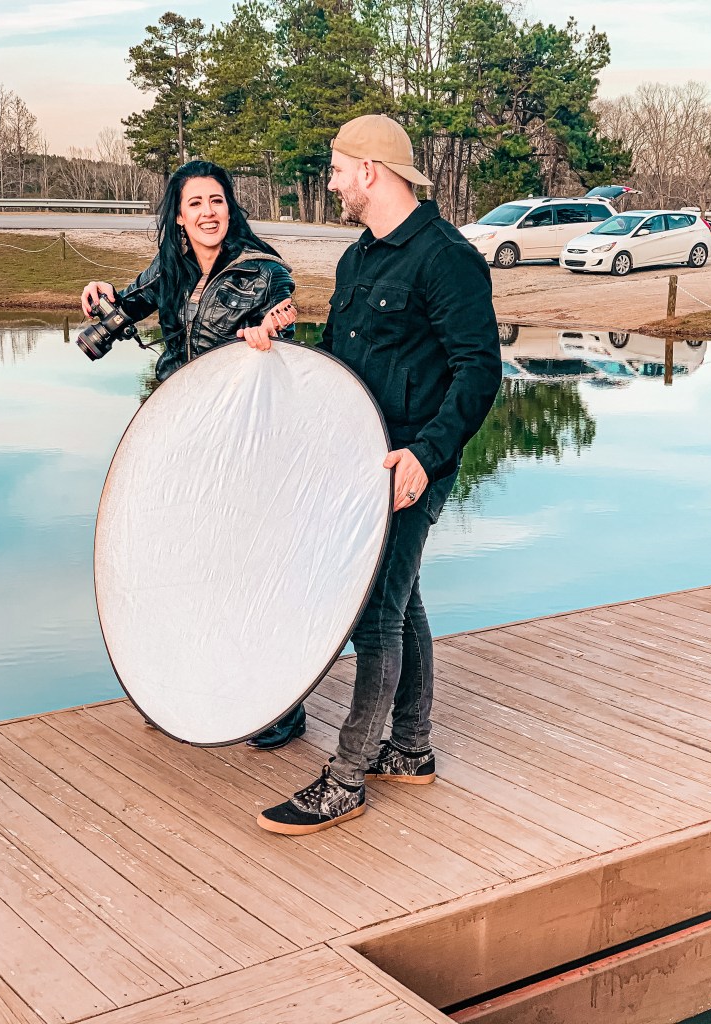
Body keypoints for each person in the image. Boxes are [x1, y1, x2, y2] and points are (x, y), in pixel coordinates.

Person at [253, 114, 502, 835]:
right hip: (359, 460)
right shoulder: (358, 259)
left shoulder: (446, 258)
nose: (332, 183)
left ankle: (346, 779)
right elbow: (342, 362)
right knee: (402, 596)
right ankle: (412, 748)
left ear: (370, 170)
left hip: (412, 463)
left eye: (337, 170)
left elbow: (479, 370)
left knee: (374, 615)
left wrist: (426, 455)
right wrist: (282, 345)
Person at [80, 159, 307, 749]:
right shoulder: (172, 267)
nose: (208, 213)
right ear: (178, 217)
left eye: (216, 200)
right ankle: (188, 690)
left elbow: (287, 343)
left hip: (239, 440)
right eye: (195, 204)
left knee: (245, 566)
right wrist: (101, 293)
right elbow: (127, 306)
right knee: (183, 562)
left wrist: (269, 335)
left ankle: (281, 706)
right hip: (178, 431)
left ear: (230, 207)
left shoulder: (264, 272)